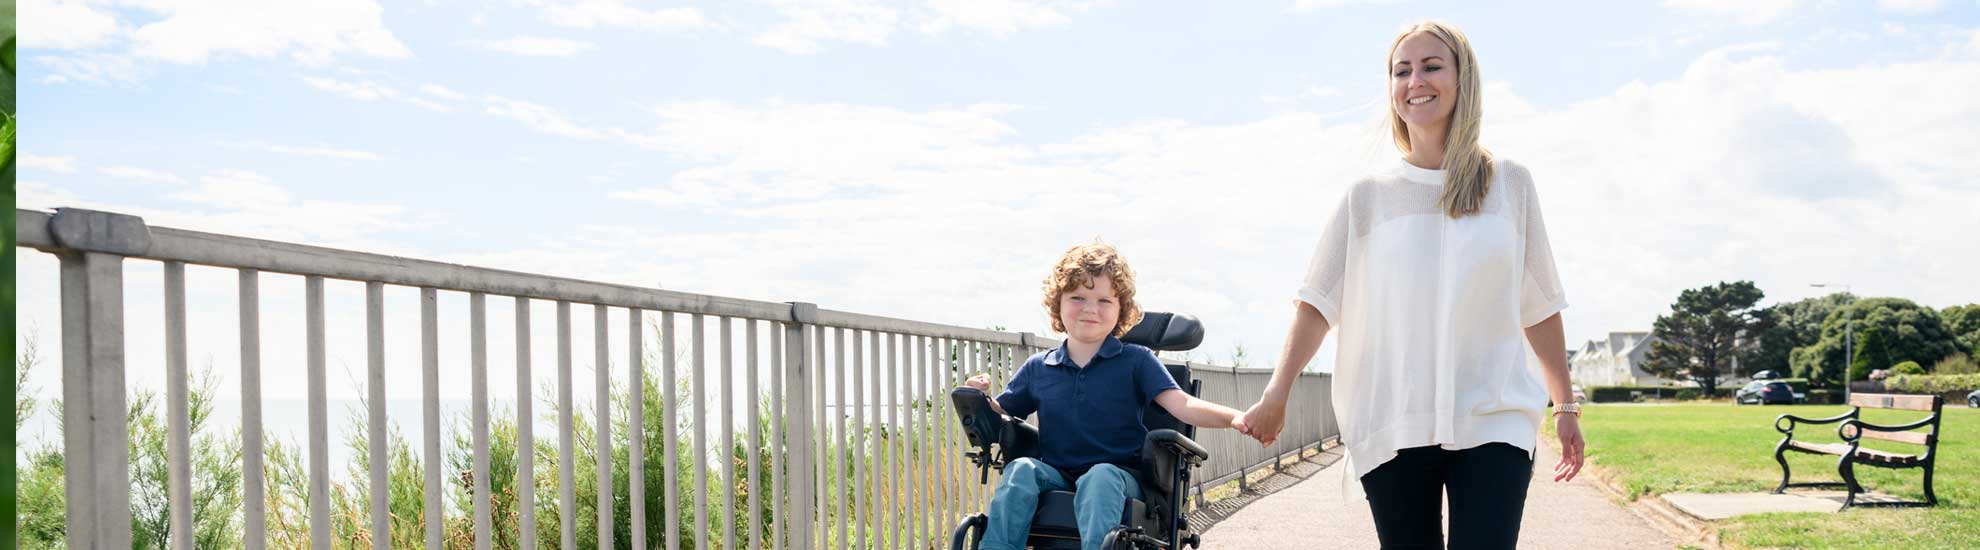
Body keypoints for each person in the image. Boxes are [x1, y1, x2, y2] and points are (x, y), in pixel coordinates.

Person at [1236, 21, 1584, 550]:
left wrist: (1565, 408)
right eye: (1402, 70)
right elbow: (1316, 304)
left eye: (1431, 66)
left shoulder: (1510, 185)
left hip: (1494, 417)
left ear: (1463, 79)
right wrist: (1276, 393)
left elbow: (1539, 305)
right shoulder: (1369, 198)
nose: (1415, 80)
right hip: (1393, 421)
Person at [964, 242, 1247, 550]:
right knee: (1020, 470)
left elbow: (1184, 405)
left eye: (1103, 300)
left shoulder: (1136, 361)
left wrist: (1236, 418)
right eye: (1077, 298)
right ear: (1057, 303)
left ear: (1120, 309)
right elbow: (1000, 415)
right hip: (1057, 473)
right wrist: (977, 396)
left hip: (1120, 476)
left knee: (1099, 478)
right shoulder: (1039, 367)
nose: (1090, 309)